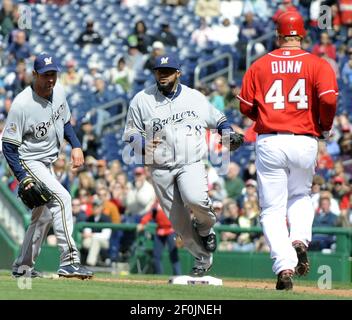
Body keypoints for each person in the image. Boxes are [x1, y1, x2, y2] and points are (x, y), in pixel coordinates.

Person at [237, 12, 338, 290]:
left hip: (270, 139)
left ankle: (284, 265)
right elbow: (328, 99)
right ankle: (300, 239)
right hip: (305, 138)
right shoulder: (318, 64)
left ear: (278, 35)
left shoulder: (259, 65)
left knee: (271, 210)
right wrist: (325, 126)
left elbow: (245, 106)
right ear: (302, 34)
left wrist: (266, 113)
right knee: (301, 195)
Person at [123, 54, 243, 276]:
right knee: (179, 224)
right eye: (160, 71)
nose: (163, 75)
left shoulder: (194, 97)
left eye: (168, 71)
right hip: (159, 167)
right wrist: (141, 144)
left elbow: (218, 119)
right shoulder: (142, 99)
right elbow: (130, 132)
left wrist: (228, 135)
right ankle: (202, 258)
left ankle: (206, 227)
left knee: (195, 198)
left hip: (191, 162)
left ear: (178, 73)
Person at [1, 53, 93, 279]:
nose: (50, 79)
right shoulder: (22, 105)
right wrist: (24, 177)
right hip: (27, 160)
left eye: (53, 74)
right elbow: (8, 147)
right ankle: (69, 261)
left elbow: (65, 121)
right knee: (62, 198)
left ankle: (22, 267)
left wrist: (76, 145)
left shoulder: (59, 91)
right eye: (45, 75)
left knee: (42, 217)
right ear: (34, 74)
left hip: (47, 161)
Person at [137, 202, 182, 275]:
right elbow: (150, 215)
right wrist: (142, 223)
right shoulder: (157, 205)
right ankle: (159, 275)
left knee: (173, 254)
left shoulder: (172, 202)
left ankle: (178, 275)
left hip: (171, 231)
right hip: (160, 231)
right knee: (156, 255)